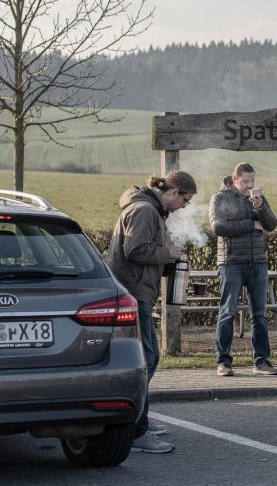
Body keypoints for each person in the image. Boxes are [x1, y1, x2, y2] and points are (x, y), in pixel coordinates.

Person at [108, 171, 198, 454]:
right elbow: (135, 250)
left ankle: (137, 419)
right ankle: (135, 429)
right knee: (146, 358)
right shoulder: (145, 210)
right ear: (173, 193)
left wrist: (169, 259)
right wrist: (168, 253)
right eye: (185, 200)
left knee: (146, 357)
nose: (184, 206)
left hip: (137, 291)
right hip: (134, 293)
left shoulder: (150, 210)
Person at [210, 162, 277, 376]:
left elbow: (271, 225)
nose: (249, 185)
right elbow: (218, 227)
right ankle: (223, 362)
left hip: (258, 262)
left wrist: (260, 208)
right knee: (227, 313)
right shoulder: (220, 198)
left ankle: (261, 362)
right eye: (245, 181)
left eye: (252, 181)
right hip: (231, 263)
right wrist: (251, 225)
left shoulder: (257, 199)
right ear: (234, 179)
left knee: (259, 315)